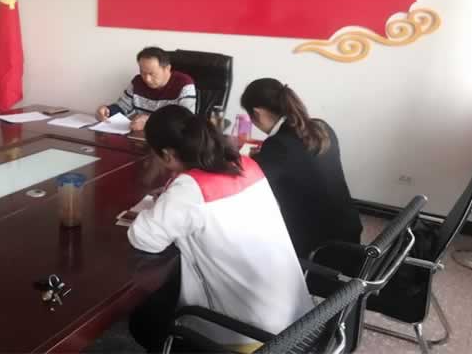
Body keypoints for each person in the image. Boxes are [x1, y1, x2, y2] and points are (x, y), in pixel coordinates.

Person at [127, 105, 312, 353]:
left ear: (168, 154)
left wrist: (168, 199)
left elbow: (143, 237)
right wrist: (173, 196)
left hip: (250, 335)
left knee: (144, 323)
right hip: (296, 319)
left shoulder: (190, 189)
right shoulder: (245, 164)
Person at [240, 78, 363, 260]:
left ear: (257, 112)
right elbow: (299, 160)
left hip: (318, 246)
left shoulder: (277, 145)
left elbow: (249, 183)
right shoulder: (321, 127)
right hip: (348, 229)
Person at [96, 46, 196, 131]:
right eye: (143, 73)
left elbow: (185, 120)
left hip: (168, 139)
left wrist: (150, 121)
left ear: (167, 68)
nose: (147, 79)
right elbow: (123, 106)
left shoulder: (184, 84)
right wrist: (108, 111)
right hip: (140, 136)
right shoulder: (137, 82)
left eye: (152, 74)